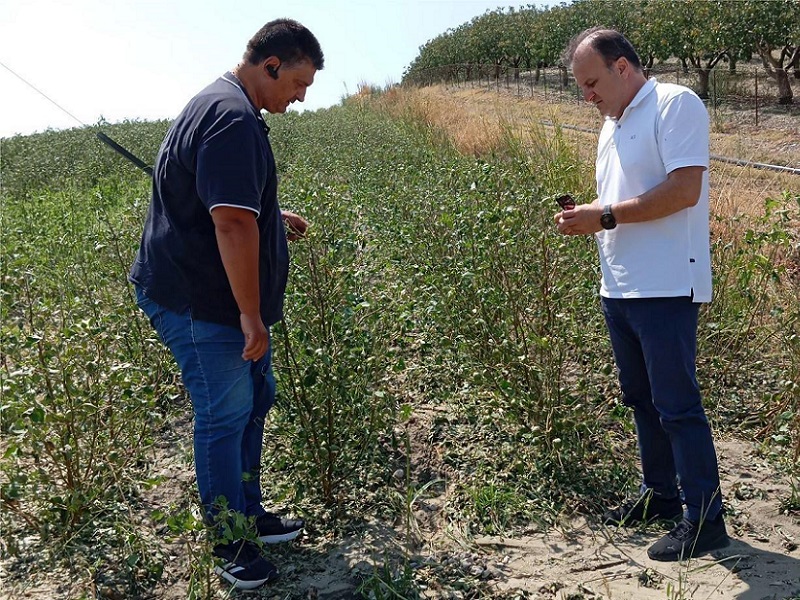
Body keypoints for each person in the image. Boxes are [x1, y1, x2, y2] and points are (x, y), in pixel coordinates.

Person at [129, 19, 324, 589]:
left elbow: (221, 200)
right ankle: (229, 543)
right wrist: (250, 315)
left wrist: (270, 217)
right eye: (298, 83)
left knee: (253, 400)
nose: (300, 97)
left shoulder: (224, 104)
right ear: (271, 66)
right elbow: (232, 224)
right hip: (202, 302)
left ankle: (249, 513)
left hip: (211, 295)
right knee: (223, 414)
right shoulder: (232, 118)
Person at [556, 27, 730, 562]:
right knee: (641, 399)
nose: (587, 95)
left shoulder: (675, 104)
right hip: (621, 286)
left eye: (592, 83)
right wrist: (590, 216)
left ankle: (706, 520)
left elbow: (684, 190)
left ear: (622, 67)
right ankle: (661, 495)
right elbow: (623, 200)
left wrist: (605, 215)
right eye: (582, 87)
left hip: (668, 283)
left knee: (677, 406)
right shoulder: (612, 124)